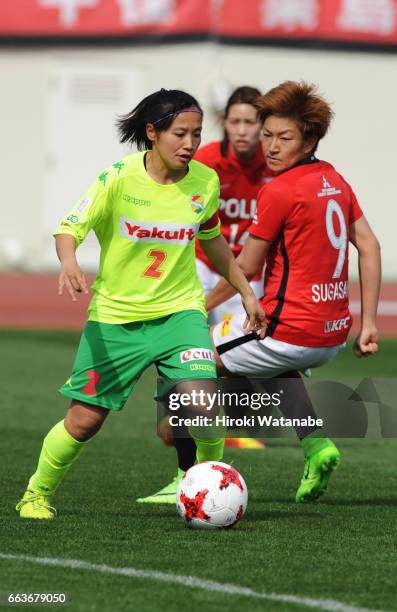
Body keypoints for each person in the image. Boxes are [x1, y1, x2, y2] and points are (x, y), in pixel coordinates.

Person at [16, 88, 266, 520]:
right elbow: (69, 228)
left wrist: (245, 291)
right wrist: (69, 261)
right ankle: (36, 493)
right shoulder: (117, 177)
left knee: (202, 404)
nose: (190, 144)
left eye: (196, 134)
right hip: (116, 319)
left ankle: (210, 484)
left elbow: (214, 243)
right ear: (152, 132)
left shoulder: (204, 182)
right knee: (84, 422)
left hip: (180, 313)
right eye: (180, 134)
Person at [207, 81, 381, 503]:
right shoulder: (333, 178)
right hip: (333, 335)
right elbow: (371, 246)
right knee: (271, 357)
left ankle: (195, 475)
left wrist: (196, 305)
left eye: (284, 138)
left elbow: (245, 267)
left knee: (191, 355)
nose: (271, 146)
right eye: (267, 135)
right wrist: (370, 325)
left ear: (310, 139)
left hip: (291, 331)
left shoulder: (278, 189)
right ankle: (316, 444)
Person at [137, 86, 273, 505]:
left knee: (234, 364)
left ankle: (224, 438)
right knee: (187, 365)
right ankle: (183, 461)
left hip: (245, 275)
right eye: (236, 121)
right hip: (197, 268)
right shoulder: (206, 160)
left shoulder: (275, 166)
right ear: (225, 124)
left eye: (252, 122)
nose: (244, 130)